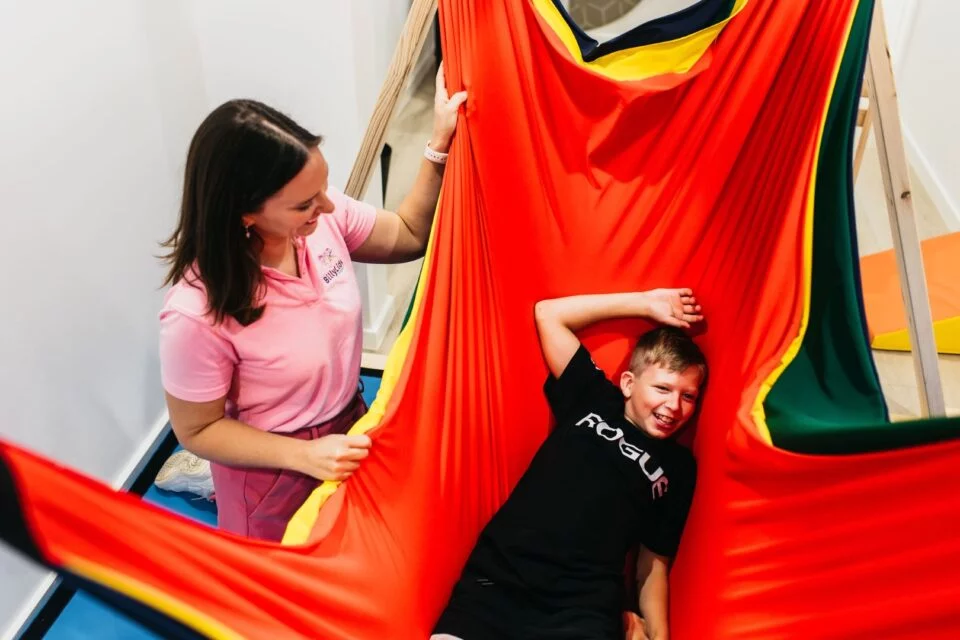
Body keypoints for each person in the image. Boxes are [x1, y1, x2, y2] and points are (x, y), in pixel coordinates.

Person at [157, 66, 467, 542]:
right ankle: (211, 483)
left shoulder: (322, 218)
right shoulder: (194, 314)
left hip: (347, 423)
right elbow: (197, 429)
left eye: (323, 190)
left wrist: (438, 145)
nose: (326, 208)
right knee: (284, 587)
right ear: (245, 214)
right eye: (304, 204)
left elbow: (408, 235)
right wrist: (301, 456)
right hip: (274, 473)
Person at [432, 289, 706, 640]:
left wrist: (658, 635)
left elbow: (651, 568)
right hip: (500, 579)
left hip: (581, 606)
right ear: (628, 383)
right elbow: (548, 314)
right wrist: (645, 304)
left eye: (688, 396)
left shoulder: (678, 467)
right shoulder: (595, 399)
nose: (674, 406)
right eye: (662, 388)